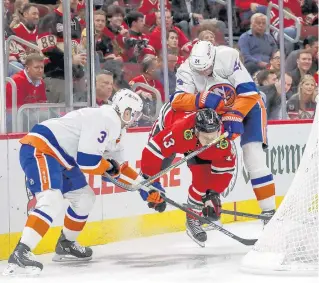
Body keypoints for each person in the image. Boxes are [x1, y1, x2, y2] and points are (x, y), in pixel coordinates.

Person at [3, 89, 144, 276]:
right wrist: (109, 167)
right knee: (51, 199)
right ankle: (21, 252)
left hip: (62, 158)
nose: (133, 118)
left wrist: (145, 185)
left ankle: (66, 244)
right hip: (43, 148)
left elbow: (121, 166)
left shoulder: (117, 128)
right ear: (121, 109)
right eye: (131, 113)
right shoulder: (107, 118)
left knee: (85, 198)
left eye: (136, 114)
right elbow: (89, 162)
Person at [169, 40, 276, 223]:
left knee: (253, 157)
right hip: (217, 116)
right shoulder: (185, 69)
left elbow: (249, 92)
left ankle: (269, 213)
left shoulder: (228, 56)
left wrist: (235, 114)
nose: (204, 73)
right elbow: (177, 101)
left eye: (207, 69)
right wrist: (200, 98)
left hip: (249, 108)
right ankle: (210, 202)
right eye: (200, 70)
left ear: (213, 58)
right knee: (211, 161)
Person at [140, 108, 236, 246]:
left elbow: (224, 171)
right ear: (196, 131)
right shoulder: (180, 130)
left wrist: (212, 194)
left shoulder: (223, 142)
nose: (210, 142)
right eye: (206, 137)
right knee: (158, 169)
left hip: (195, 144)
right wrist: (150, 185)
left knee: (203, 181)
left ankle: (192, 218)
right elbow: (152, 152)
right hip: (168, 124)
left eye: (213, 137)